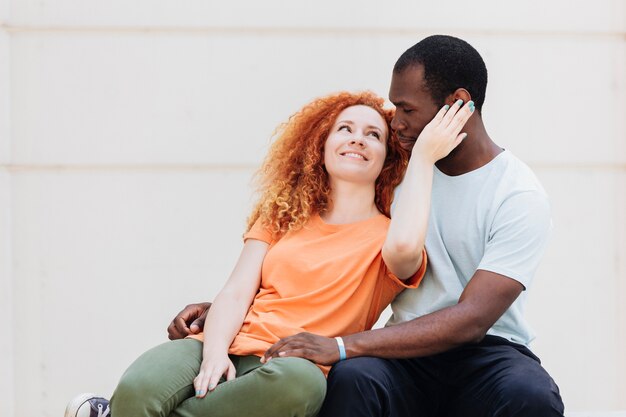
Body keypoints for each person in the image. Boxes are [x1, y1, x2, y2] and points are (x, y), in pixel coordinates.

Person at [168, 35, 566, 417]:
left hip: (489, 350)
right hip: (403, 351)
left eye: (407, 110)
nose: (396, 125)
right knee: (352, 379)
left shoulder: (518, 196)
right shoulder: (392, 175)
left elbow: (472, 320)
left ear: (457, 103)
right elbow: (326, 250)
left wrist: (342, 346)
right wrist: (228, 307)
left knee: (531, 397)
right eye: (394, 110)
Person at [66, 90, 474, 417]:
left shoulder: (389, 238)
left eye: (373, 135)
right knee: (141, 387)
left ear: (387, 157)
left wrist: (422, 158)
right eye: (344, 129)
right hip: (225, 342)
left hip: (289, 368)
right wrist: (212, 356)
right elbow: (236, 292)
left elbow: (406, 250)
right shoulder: (282, 216)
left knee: (302, 384)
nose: (356, 138)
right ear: (322, 146)